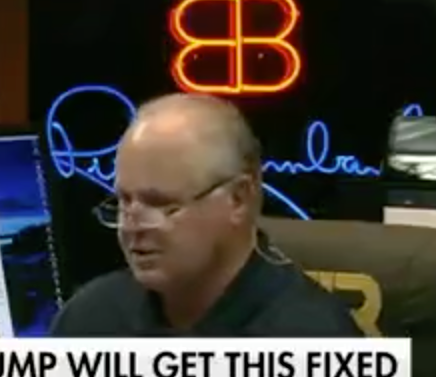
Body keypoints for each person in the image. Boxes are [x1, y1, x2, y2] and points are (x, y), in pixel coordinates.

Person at [51, 93, 363, 337]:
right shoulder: (89, 320)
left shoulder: (316, 343)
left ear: (238, 199)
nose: (131, 228)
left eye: (160, 204)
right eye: (123, 202)